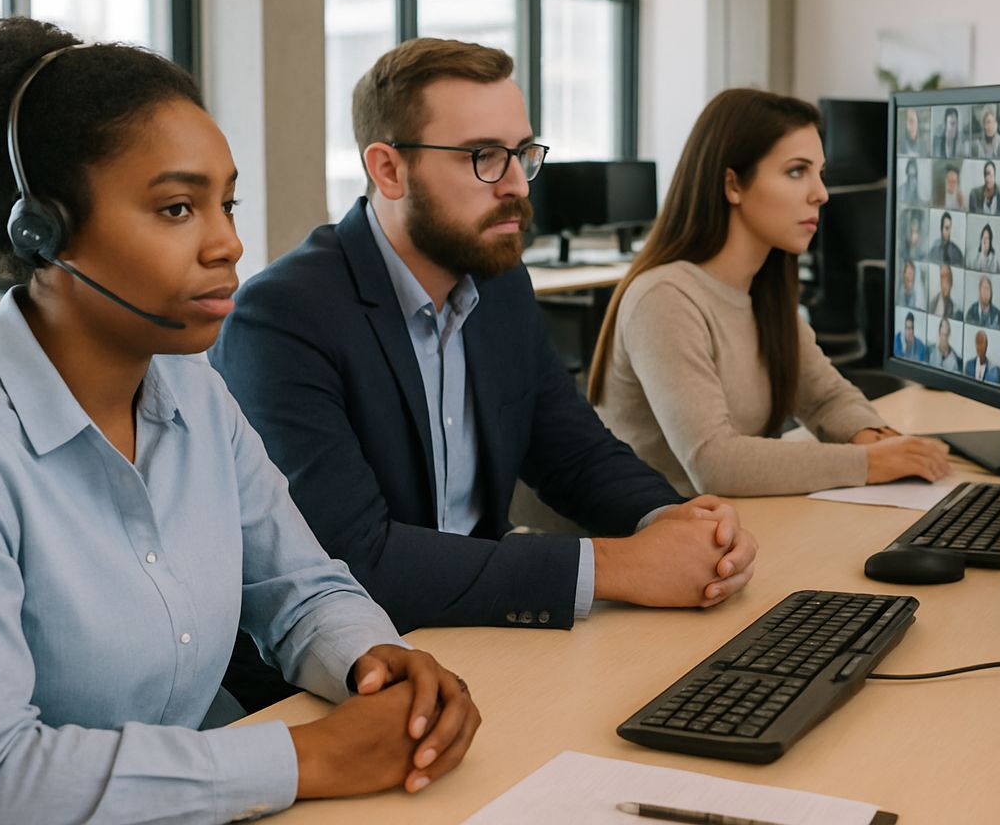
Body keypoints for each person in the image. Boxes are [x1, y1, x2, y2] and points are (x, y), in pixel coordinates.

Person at [0, 18, 482, 822]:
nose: (228, 242)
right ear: (42, 230)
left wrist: (374, 660)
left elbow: (299, 585)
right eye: (178, 208)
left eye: (226, 203)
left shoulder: (194, 392)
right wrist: (306, 755)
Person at [212, 39, 757, 709]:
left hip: (483, 636)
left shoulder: (498, 283)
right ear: (388, 169)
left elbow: (573, 451)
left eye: (523, 154)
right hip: (339, 683)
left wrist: (674, 522)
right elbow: (353, 560)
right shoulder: (283, 317)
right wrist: (620, 566)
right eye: (483, 157)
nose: (517, 186)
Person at [591, 87, 950, 501]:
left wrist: (879, 441)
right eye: (797, 171)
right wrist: (870, 463)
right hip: (659, 541)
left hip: (733, 528)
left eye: (820, 172)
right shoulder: (664, 299)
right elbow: (714, 463)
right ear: (733, 185)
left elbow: (825, 398)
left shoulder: (762, 290)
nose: (821, 193)